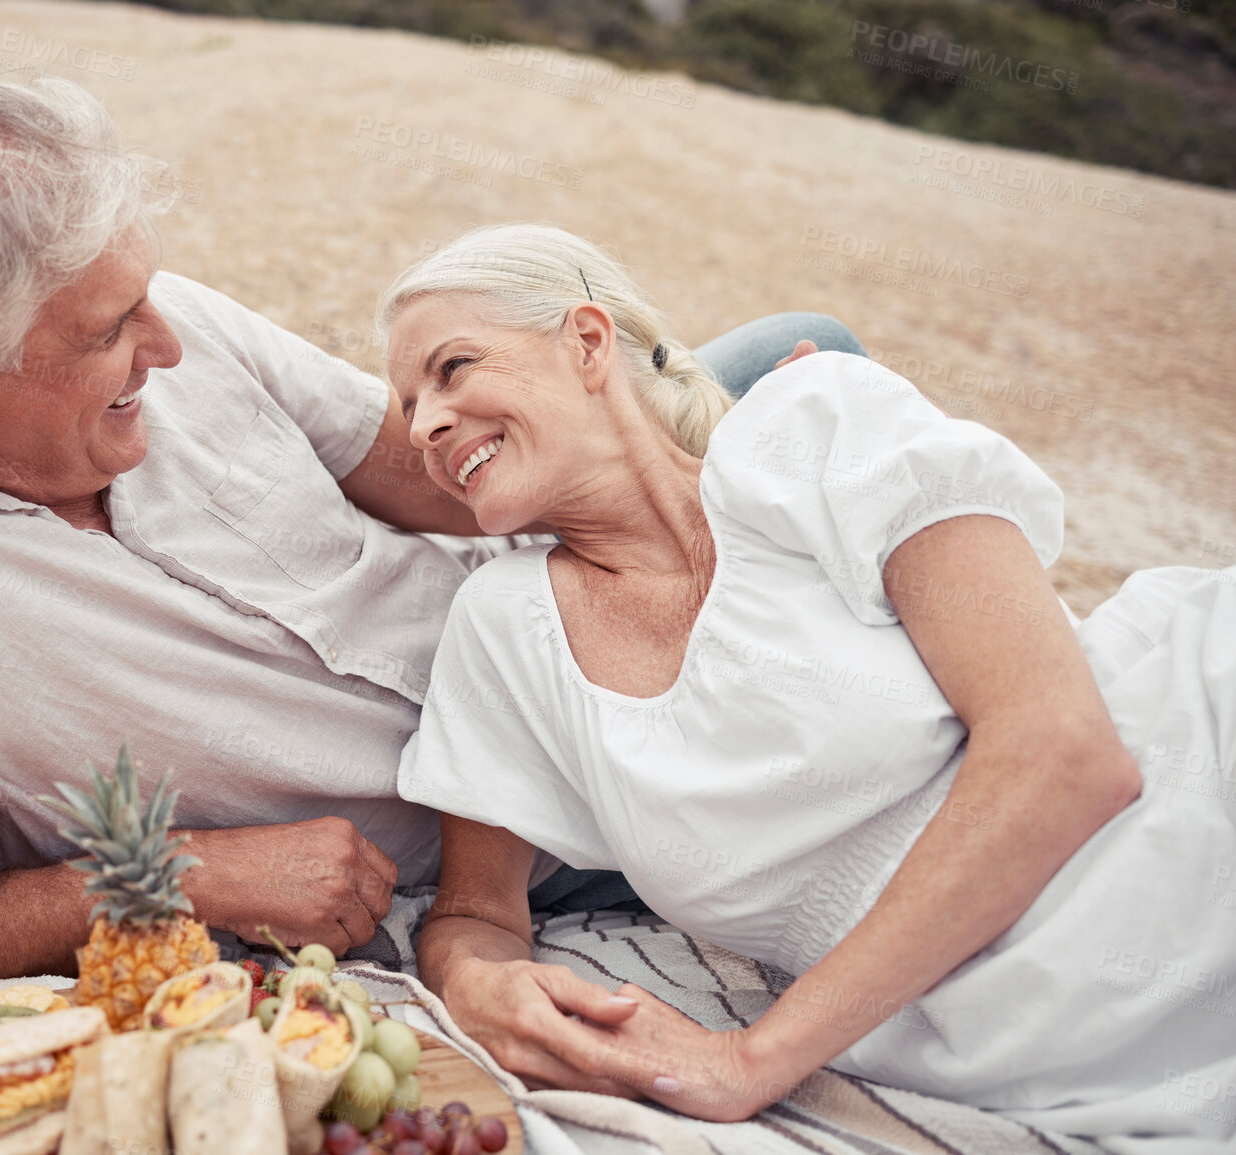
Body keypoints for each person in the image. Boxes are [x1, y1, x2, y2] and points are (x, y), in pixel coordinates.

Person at [0, 77, 863, 1002]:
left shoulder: (167, 328)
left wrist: (660, 496)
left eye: (148, 294)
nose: (169, 345)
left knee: (808, 356)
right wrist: (185, 878)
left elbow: (427, 472)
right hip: (533, 831)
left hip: (555, 608)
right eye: (115, 330)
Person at [385, 222, 1236, 1151]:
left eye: (451, 368)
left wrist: (751, 1061)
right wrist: (478, 980)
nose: (424, 424)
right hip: (1038, 1047)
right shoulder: (505, 630)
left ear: (586, 343)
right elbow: (474, 911)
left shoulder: (812, 426)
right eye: (408, 405)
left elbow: (1064, 752)